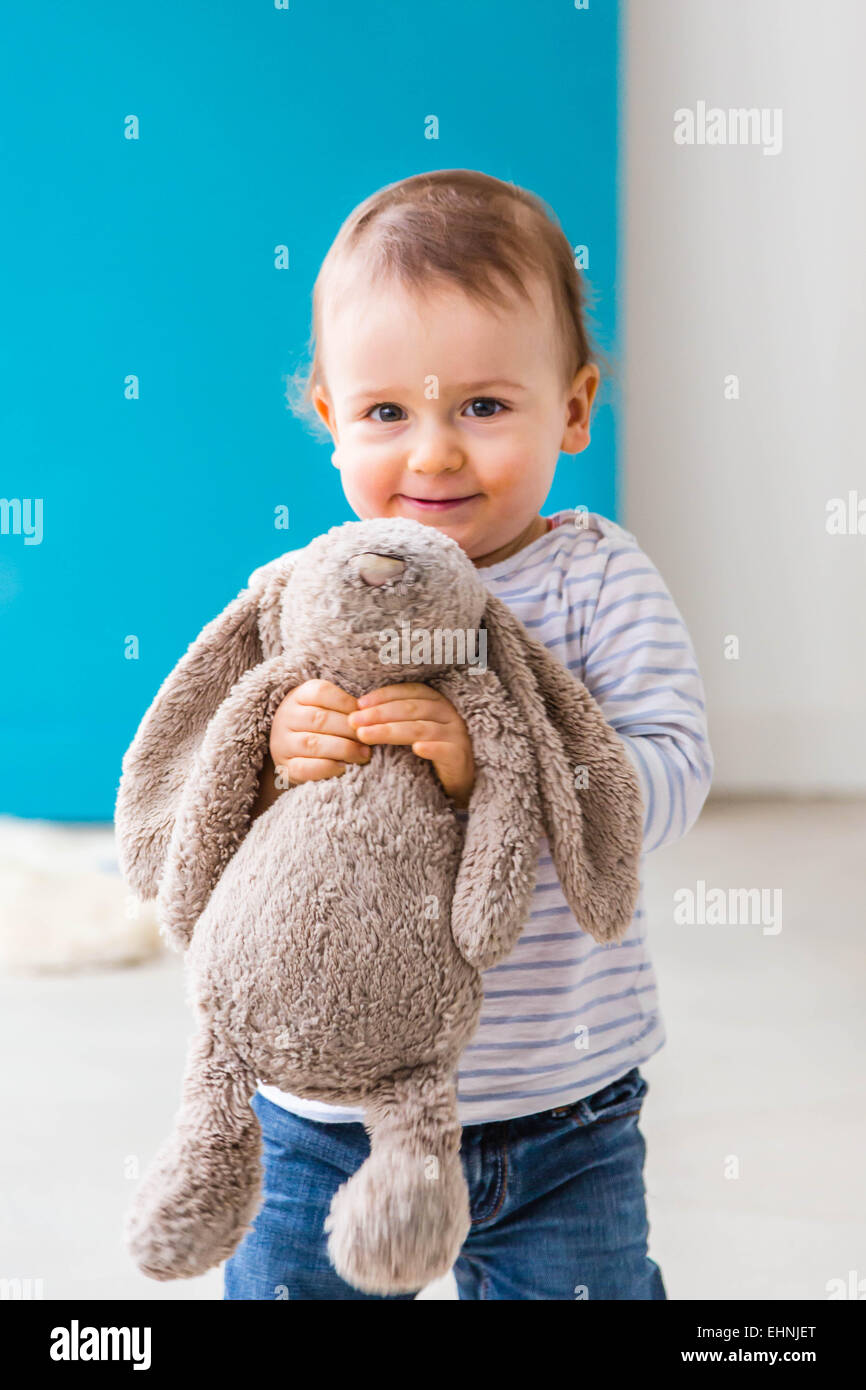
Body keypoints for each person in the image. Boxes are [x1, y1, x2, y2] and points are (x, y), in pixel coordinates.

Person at [223, 169, 713, 1300]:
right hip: (327, 1107)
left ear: (575, 409)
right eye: (389, 413)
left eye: (483, 407)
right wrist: (273, 753)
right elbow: (212, 792)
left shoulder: (594, 580)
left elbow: (673, 770)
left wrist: (497, 763)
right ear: (331, 420)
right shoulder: (307, 594)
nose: (434, 454)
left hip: (562, 1112)